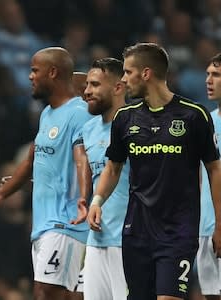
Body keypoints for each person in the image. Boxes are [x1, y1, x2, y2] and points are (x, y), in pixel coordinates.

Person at [87, 42, 221, 300]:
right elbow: (113, 167)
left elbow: (215, 170)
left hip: (178, 231)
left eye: (127, 72)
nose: (124, 80)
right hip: (136, 232)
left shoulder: (194, 116)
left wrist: (219, 225)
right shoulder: (125, 118)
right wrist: (97, 200)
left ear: (146, 74)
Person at [0, 47, 93, 300]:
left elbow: (82, 160)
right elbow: (31, 160)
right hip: (43, 224)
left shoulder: (79, 113)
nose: (30, 76)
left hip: (65, 222)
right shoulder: (48, 113)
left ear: (52, 72)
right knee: (66, 294)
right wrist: (3, 192)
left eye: (35, 70)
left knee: (46, 292)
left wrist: (84, 197)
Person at [80, 58, 128, 300]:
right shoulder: (88, 130)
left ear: (118, 87)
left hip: (129, 241)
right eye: (87, 84)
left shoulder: (138, 126)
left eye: (95, 84)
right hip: (96, 239)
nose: (87, 91)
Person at [197, 52, 221, 300]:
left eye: (216, 75)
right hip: (205, 228)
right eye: (207, 74)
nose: (208, 80)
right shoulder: (205, 122)